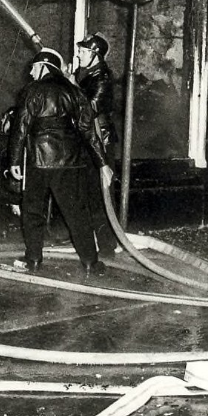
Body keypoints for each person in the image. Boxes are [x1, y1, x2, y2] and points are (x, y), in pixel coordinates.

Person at [8, 47, 113, 278]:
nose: (31, 72)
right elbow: (89, 131)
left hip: (37, 160)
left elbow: (21, 126)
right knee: (77, 213)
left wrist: (15, 160)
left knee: (33, 211)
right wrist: (103, 163)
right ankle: (90, 262)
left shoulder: (32, 90)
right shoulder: (74, 92)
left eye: (34, 67)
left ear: (45, 66)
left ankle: (33, 258)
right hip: (69, 161)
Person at [76, 32, 119, 257]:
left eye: (83, 51)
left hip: (100, 140)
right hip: (89, 141)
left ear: (95, 54)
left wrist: (70, 89)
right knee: (89, 192)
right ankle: (95, 242)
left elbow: (90, 109)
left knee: (101, 195)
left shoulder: (101, 77)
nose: (79, 54)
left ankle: (107, 246)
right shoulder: (89, 76)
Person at [0, 106, 22, 237]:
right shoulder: (30, 141)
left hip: (10, 191)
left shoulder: (0, 141)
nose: (1, 122)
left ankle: (1, 228)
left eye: (4, 119)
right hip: (29, 192)